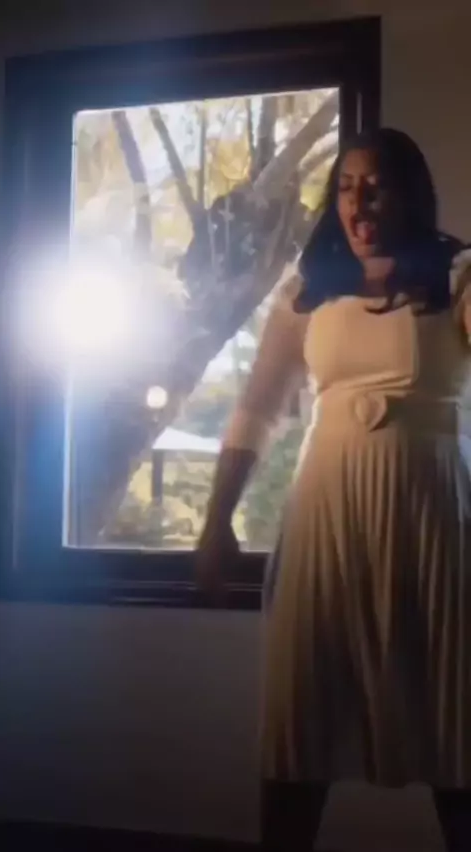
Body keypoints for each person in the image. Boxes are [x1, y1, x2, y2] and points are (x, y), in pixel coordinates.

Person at [196, 128, 471, 851]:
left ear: (409, 194)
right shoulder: (308, 288)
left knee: (455, 719)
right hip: (326, 511)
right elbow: (257, 408)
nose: (359, 202)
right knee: (302, 717)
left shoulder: (458, 276)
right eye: (346, 187)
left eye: (375, 186)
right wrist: (217, 520)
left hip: (431, 514)